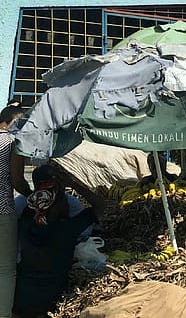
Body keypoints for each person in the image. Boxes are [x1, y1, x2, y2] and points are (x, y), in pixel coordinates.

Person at [14, 164, 106, 318]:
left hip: (21, 300)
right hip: (51, 303)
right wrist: (73, 183)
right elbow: (100, 206)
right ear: (58, 207)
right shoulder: (68, 229)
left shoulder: (25, 222)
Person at [1, 102, 26, 318]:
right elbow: (17, 180)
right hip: (2, 210)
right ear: (13, 122)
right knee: (5, 269)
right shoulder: (12, 142)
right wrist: (32, 195)